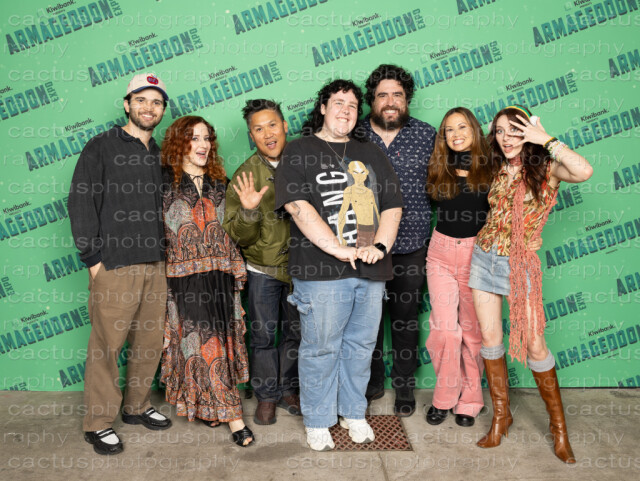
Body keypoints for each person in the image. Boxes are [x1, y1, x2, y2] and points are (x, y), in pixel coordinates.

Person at [275, 79, 403, 451]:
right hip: (321, 271)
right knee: (320, 348)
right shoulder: (299, 150)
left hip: (371, 270)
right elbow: (297, 206)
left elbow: (392, 204)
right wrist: (337, 249)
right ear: (322, 108)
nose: (345, 110)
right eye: (338, 103)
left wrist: (380, 246)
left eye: (352, 105)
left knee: (361, 347)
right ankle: (318, 419)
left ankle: (353, 412)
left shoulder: (371, 151)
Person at [469, 106, 593, 463]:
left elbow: (584, 171)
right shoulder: (495, 166)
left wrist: (546, 139)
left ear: (528, 132)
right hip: (483, 258)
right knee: (490, 340)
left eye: (514, 130)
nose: (506, 138)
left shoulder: (545, 168)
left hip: (519, 263)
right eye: (500, 131)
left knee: (535, 346)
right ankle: (501, 418)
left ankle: (559, 429)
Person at [68, 73, 172, 456]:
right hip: (114, 265)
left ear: (162, 110)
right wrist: (93, 260)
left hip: (155, 264)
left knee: (148, 342)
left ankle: (137, 406)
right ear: (127, 104)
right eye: (140, 100)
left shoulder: (161, 153)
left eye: (156, 102)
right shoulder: (101, 146)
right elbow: (81, 201)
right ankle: (97, 422)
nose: (148, 108)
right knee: (106, 347)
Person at [160, 115, 254, 447]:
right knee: (202, 346)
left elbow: (237, 231)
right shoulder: (162, 183)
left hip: (220, 278)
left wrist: (250, 211)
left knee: (218, 346)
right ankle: (235, 418)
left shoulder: (221, 183)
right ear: (179, 142)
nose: (203, 145)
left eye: (207, 138)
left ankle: (208, 407)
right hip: (184, 281)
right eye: (194, 138)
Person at [361, 64, 436, 416]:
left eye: (397, 95)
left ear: (407, 99)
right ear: (371, 100)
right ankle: (372, 382)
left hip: (411, 245)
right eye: (382, 95)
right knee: (368, 321)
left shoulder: (426, 135)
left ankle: (404, 384)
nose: (390, 102)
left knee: (405, 320)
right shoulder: (355, 133)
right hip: (364, 246)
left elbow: (444, 184)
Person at [223, 99, 301, 426]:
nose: (268, 134)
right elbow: (238, 237)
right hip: (262, 271)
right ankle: (266, 395)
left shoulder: (305, 161)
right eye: (258, 129)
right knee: (263, 336)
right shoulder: (244, 175)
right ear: (251, 136)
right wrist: (249, 211)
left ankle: (288, 389)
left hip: (302, 269)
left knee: (296, 334)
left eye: (272, 125)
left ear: (285, 126)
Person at [423, 107, 494, 427]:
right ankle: (445, 397)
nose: (456, 134)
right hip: (440, 252)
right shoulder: (439, 165)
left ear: (475, 130)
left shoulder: (492, 166)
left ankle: (471, 400)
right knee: (443, 331)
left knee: (472, 332)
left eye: (462, 127)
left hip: (475, 254)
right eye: (449, 130)